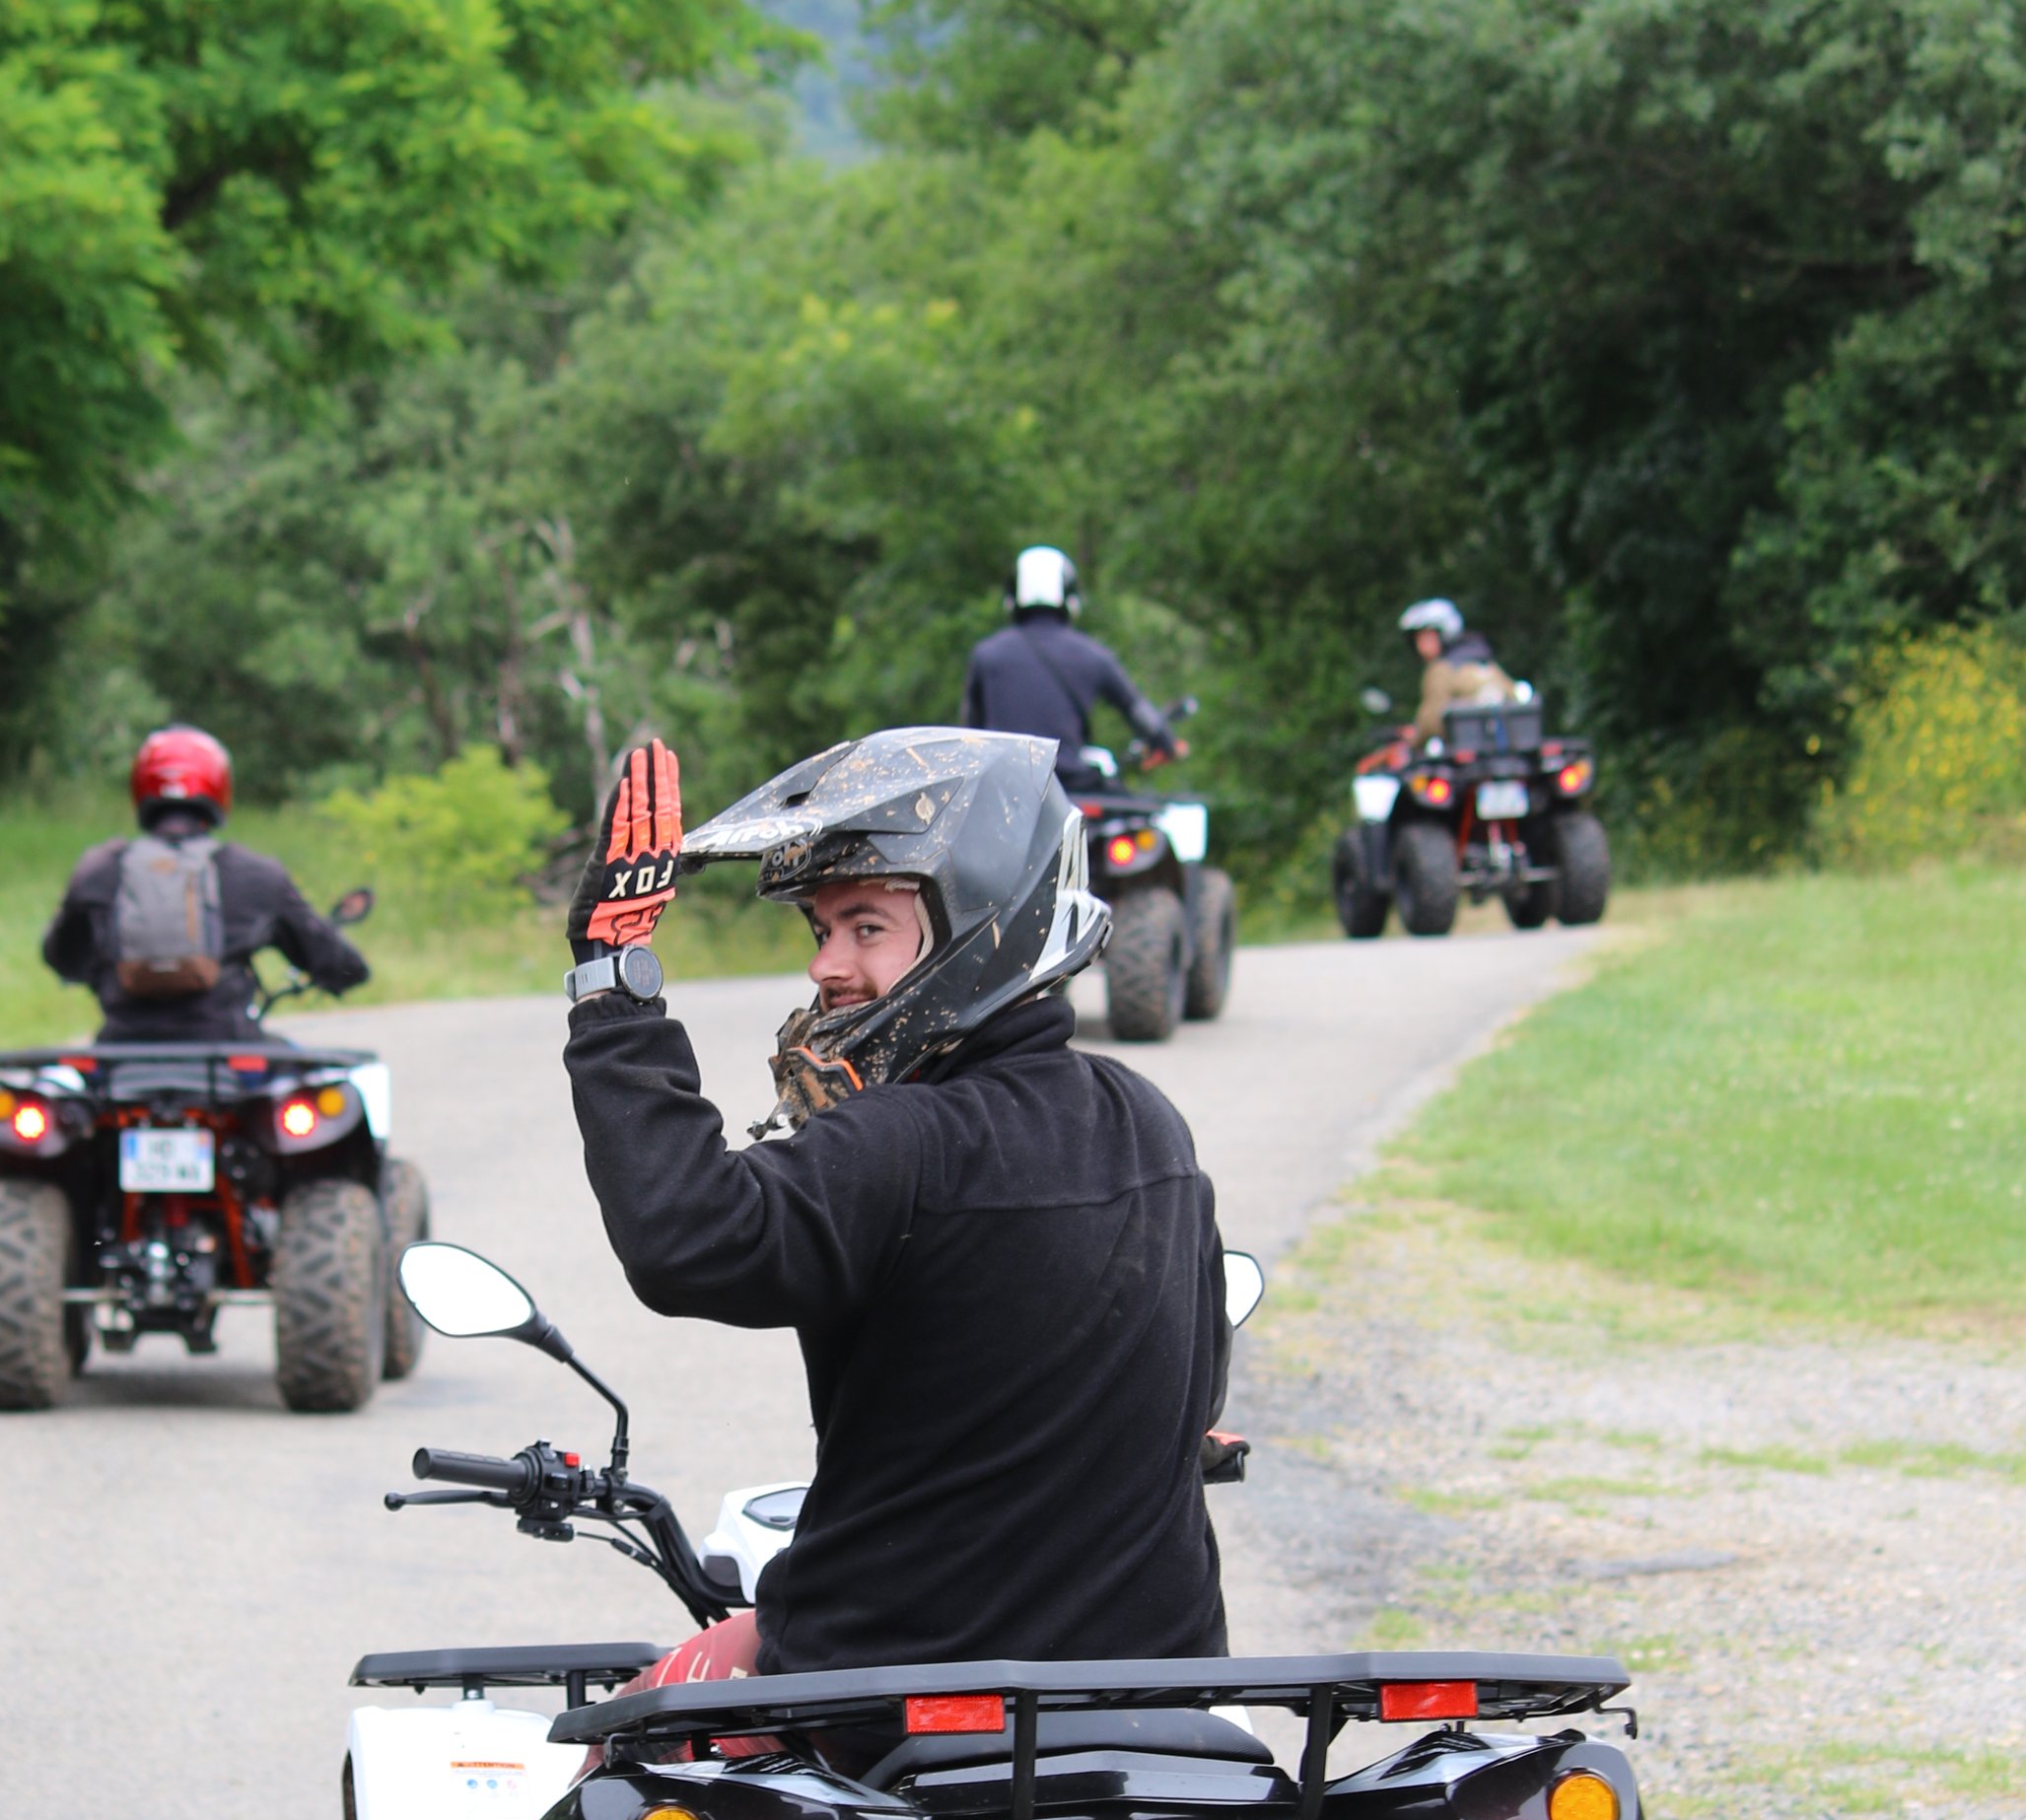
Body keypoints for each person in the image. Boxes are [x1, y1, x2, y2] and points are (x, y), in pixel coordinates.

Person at [558, 726, 1234, 1679]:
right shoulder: (1148, 1123)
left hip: (892, 1680)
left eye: (866, 927)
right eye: (822, 930)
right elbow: (1197, 1383)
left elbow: (691, 1238)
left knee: (613, 1753)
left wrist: (612, 986)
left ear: (980, 928)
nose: (826, 967)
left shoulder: (907, 1140)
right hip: (1159, 1685)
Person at [41, 725, 372, 1043]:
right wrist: (345, 970)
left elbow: (61, 956)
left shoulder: (100, 870)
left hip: (121, 1053)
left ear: (139, 787)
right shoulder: (254, 874)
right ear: (218, 786)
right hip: (227, 1053)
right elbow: (329, 957)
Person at [961, 546, 1187, 791]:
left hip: (1004, 792)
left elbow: (970, 735)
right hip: (1072, 789)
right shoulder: (1094, 655)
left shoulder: (987, 656)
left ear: (1011, 598)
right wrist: (1166, 744)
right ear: (1071, 598)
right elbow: (1140, 713)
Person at [1400, 596, 1517, 744]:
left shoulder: (1441, 670)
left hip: (1466, 753)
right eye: (1418, 640)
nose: (1420, 647)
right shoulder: (1486, 664)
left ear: (1445, 635)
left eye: (1427, 638)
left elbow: (1431, 721)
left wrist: (1414, 739)